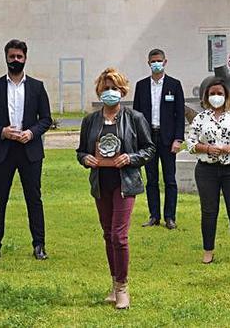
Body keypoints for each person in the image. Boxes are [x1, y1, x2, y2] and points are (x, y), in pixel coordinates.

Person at [77, 67, 155, 310]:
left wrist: (130, 158)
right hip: (101, 183)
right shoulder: (90, 120)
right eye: (105, 88)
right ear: (99, 91)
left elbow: (149, 149)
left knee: (119, 236)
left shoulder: (135, 118)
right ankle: (113, 284)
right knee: (107, 234)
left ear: (122, 91)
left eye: (114, 88)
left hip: (125, 183)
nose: (109, 92)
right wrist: (85, 159)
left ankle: (123, 288)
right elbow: (81, 151)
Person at [0, 39, 53, 263]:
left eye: (19, 57)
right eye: (12, 57)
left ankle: (39, 245)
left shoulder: (37, 87)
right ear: (6, 58)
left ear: (25, 58)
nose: (15, 61)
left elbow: (46, 119)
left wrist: (31, 133)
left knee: (34, 199)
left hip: (29, 149)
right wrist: (2, 131)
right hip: (2, 150)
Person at [186, 79, 230, 264]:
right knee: (208, 211)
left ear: (226, 96)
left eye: (220, 93)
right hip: (206, 170)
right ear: (207, 97)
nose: (216, 97)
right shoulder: (200, 118)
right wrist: (206, 149)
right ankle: (208, 250)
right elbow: (191, 143)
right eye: (212, 94)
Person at [130, 48, 185, 229]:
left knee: (170, 179)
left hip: (168, 138)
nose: (156, 64)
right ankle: (154, 216)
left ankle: (170, 217)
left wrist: (178, 139)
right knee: (151, 179)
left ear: (165, 62)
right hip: (148, 138)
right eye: (153, 61)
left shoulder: (174, 85)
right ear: (148, 63)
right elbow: (136, 115)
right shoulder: (141, 86)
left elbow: (179, 114)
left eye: (159, 61)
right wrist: (137, 139)